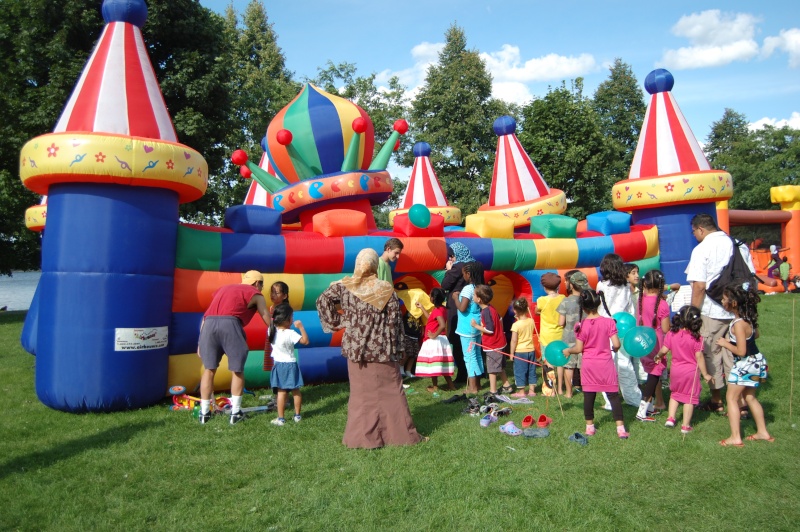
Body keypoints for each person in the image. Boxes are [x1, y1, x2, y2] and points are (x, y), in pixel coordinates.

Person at [316, 248, 424, 449]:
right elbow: (394, 323)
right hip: (382, 349)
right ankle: (399, 435)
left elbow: (322, 301)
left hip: (356, 349)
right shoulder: (385, 289)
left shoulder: (345, 286)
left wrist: (340, 321)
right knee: (392, 392)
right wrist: (399, 348)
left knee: (361, 397)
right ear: (375, 265)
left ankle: (362, 438)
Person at [685, 213, 756, 415]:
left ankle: (717, 400)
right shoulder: (738, 244)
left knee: (712, 354)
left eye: (694, 232)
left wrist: (694, 314)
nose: (695, 235)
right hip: (738, 311)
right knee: (736, 352)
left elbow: (699, 286)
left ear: (700, 229)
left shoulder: (702, 249)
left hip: (712, 309)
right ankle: (741, 400)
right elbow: (750, 278)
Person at [197, 270, 271, 425]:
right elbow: (266, 318)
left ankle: (204, 414)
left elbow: (206, 315)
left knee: (209, 370)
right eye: (262, 284)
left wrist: (200, 342)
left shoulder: (223, 289)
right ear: (257, 283)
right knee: (237, 369)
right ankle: (235, 413)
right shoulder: (255, 293)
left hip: (208, 325)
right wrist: (278, 332)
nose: (262, 288)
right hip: (230, 324)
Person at [562, 290, 629, 439]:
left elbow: (579, 349)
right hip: (605, 364)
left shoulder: (582, 325)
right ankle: (621, 429)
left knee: (589, 396)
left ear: (583, 308)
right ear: (599, 303)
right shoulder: (609, 322)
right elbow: (616, 344)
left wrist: (568, 351)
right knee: (613, 396)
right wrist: (615, 349)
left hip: (589, 365)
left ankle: (590, 427)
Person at [716, 282, 773, 446]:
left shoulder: (738, 324)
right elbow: (756, 335)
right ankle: (763, 432)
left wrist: (725, 343)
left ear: (733, 303)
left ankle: (735, 437)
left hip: (745, 363)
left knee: (731, 398)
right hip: (757, 362)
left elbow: (741, 351)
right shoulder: (748, 319)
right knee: (750, 397)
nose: (721, 301)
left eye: (724, 299)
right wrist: (737, 339)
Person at [653, 306, 713, 434]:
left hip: (675, 371)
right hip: (690, 372)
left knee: (674, 394)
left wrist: (658, 356)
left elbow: (664, 350)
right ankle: (685, 426)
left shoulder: (671, 334)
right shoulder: (697, 338)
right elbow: (699, 357)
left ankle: (670, 418)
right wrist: (706, 374)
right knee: (689, 399)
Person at [597, 253, 641, 407]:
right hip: (624, 327)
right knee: (625, 364)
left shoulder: (602, 285)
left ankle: (610, 400)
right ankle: (634, 398)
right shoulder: (626, 286)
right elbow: (631, 309)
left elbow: (600, 308)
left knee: (606, 365)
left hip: (606, 328)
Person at [634, 270, 671, 422]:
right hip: (656, 344)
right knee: (654, 376)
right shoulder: (662, 304)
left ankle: (649, 408)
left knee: (651, 373)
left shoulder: (640, 300)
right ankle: (641, 411)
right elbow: (665, 329)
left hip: (642, 342)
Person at [268, 302, 309, 426]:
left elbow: (272, 322)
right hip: (291, 364)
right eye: (291, 317)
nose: (293, 319)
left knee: (281, 392)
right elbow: (305, 341)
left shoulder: (271, 330)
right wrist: (301, 327)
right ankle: (297, 416)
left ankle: (281, 418)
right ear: (286, 319)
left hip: (279, 365)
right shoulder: (290, 333)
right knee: (296, 391)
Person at [441, 243, 474, 384]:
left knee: (456, 339)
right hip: (471, 305)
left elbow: (445, 285)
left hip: (456, 306)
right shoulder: (472, 264)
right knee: (470, 340)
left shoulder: (458, 267)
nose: (451, 258)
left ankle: (462, 374)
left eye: (451, 256)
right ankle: (474, 372)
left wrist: (449, 270)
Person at [470, 284, 513, 395]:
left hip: (493, 345)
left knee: (492, 369)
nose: (472, 296)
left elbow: (490, 330)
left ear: (479, 299)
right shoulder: (490, 307)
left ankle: (492, 391)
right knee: (500, 366)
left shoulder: (486, 312)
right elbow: (500, 318)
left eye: (474, 294)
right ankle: (506, 385)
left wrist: (476, 326)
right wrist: (501, 332)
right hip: (500, 342)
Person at [453, 261, 486, 395]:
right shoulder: (480, 287)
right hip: (476, 324)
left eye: (463, 274)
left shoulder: (468, 289)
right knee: (476, 354)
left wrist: (455, 297)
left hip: (467, 327)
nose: (463, 277)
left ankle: (473, 387)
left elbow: (462, 307)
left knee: (469, 356)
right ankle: (477, 384)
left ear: (468, 274)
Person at [415, 287, 455, 393]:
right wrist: (422, 308)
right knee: (442, 364)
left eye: (430, 295)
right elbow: (431, 318)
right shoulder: (441, 309)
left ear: (433, 298)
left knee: (433, 364)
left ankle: (435, 387)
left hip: (435, 340)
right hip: (441, 340)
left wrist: (433, 335)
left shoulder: (438, 311)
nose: (429, 296)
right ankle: (451, 386)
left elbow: (442, 325)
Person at [558, 271, 590, 398]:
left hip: (569, 337)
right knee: (584, 365)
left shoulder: (565, 301)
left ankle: (568, 392)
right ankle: (587, 390)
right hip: (585, 337)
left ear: (571, 285)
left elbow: (561, 322)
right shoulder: (587, 300)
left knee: (569, 366)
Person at [536, 272, 565, 396]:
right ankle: (560, 388)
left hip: (546, 336)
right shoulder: (563, 298)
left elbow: (537, 311)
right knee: (561, 362)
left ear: (544, 287)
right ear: (558, 286)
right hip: (560, 334)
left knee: (548, 362)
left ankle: (550, 389)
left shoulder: (542, 300)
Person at [509, 297, 537, 398]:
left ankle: (521, 392)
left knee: (520, 371)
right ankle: (532, 391)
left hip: (520, 352)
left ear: (515, 310)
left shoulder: (516, 325)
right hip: (531, 350)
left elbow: (513, 340)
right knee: (531, 370)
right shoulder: (531, 321)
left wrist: (511, 353)